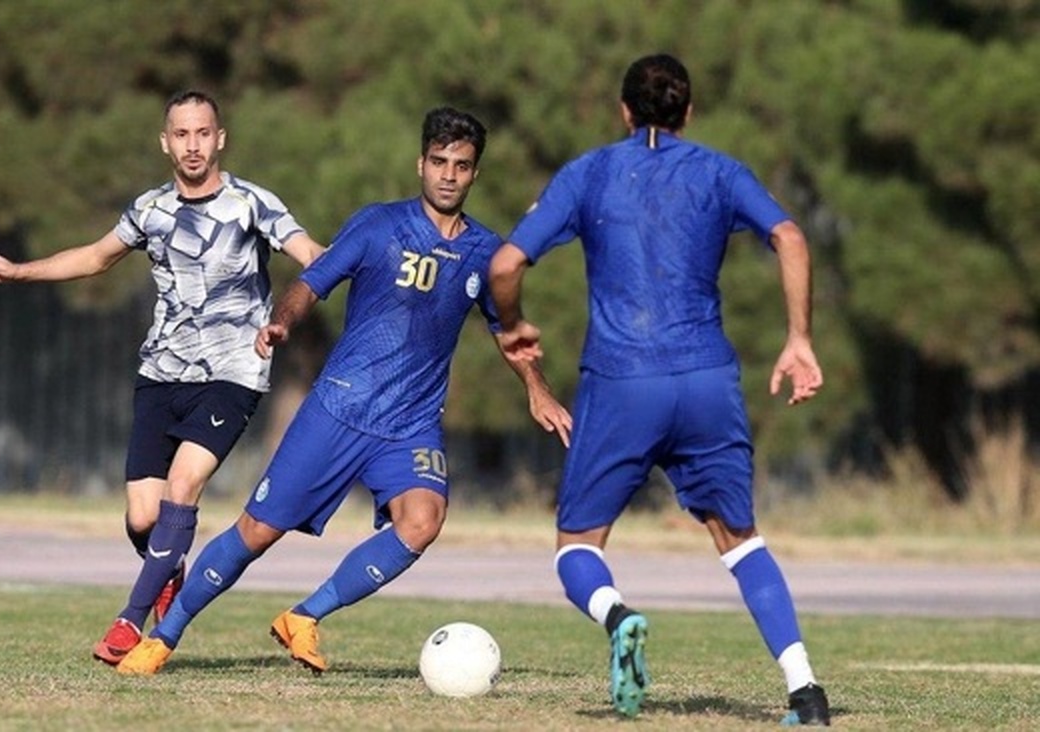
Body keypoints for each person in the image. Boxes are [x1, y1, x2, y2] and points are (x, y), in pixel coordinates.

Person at [115, 106, 572, 676]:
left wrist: (537, 389)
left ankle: (304, 616)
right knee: (256, 532)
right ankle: (164, 635)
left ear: (474, 173)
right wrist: (282, 322)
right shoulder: (377, 225)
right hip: (338, 409)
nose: (448, 175)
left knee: (423, 520)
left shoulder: (484, 250)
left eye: (461, 166)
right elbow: (310, 283)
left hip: (410, 424)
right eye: (439, 162)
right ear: (421, 165)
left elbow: (508, 331)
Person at [488, 54, 831, 725]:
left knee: (577, 547)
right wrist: (799, 338)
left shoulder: (588, 173)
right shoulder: (720, 171)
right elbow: (790, 236)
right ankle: (806, 692)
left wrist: (512, 324)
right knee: (740, 541)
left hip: (622, 381)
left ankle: (619, 617)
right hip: (706, 378)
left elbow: (505, 264)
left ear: (624, 110)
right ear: (688, 112)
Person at [0, 90, 325, 665]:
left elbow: (313, 255)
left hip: (232, 373)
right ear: (165, 143)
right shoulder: (150, 209)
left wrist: (352, 274)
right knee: (142, 518)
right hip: (161, 373)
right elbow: (95, 257)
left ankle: (131, 621)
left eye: (202, 133)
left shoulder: (252, 203)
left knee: (182, 488)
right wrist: (19, 271)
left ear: (220, 138)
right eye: (181, 134)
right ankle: (167, 569)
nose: (193, 145)